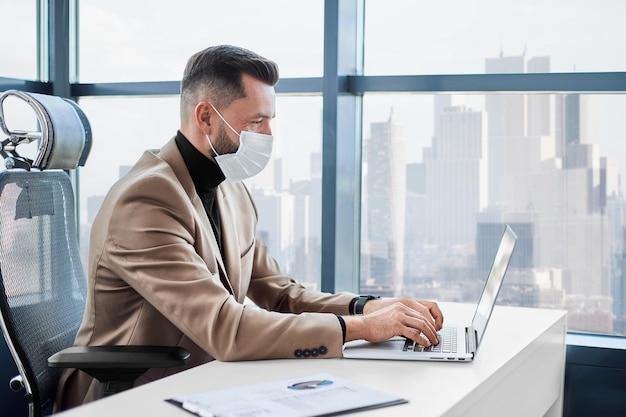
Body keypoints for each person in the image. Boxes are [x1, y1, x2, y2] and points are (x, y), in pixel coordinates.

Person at [54, 44, 443, 410]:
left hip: (205, 378)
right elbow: (226, 327)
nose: (269, 137)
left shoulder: (231, 191)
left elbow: (280, 294)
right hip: (131, 394)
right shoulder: (146, 200)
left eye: (270, 121)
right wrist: (361, 328)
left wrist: (371, 307)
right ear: (206, 117)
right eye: (257, 121)